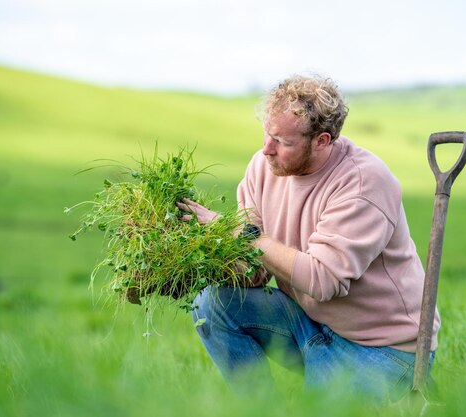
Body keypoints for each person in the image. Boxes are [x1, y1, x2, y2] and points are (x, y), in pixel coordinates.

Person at [177, 75, 439, 402]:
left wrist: (238, 234)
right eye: (267, 134)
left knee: (314, 409)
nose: (266, 149)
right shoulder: (264, 168)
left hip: (383, 347)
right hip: (311, 326)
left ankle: (397, 389)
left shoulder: (362, 183)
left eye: (283, 142)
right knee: (212, 304)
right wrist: (196, 255)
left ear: (322, 141)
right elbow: (255, 271)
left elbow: (322, 280)